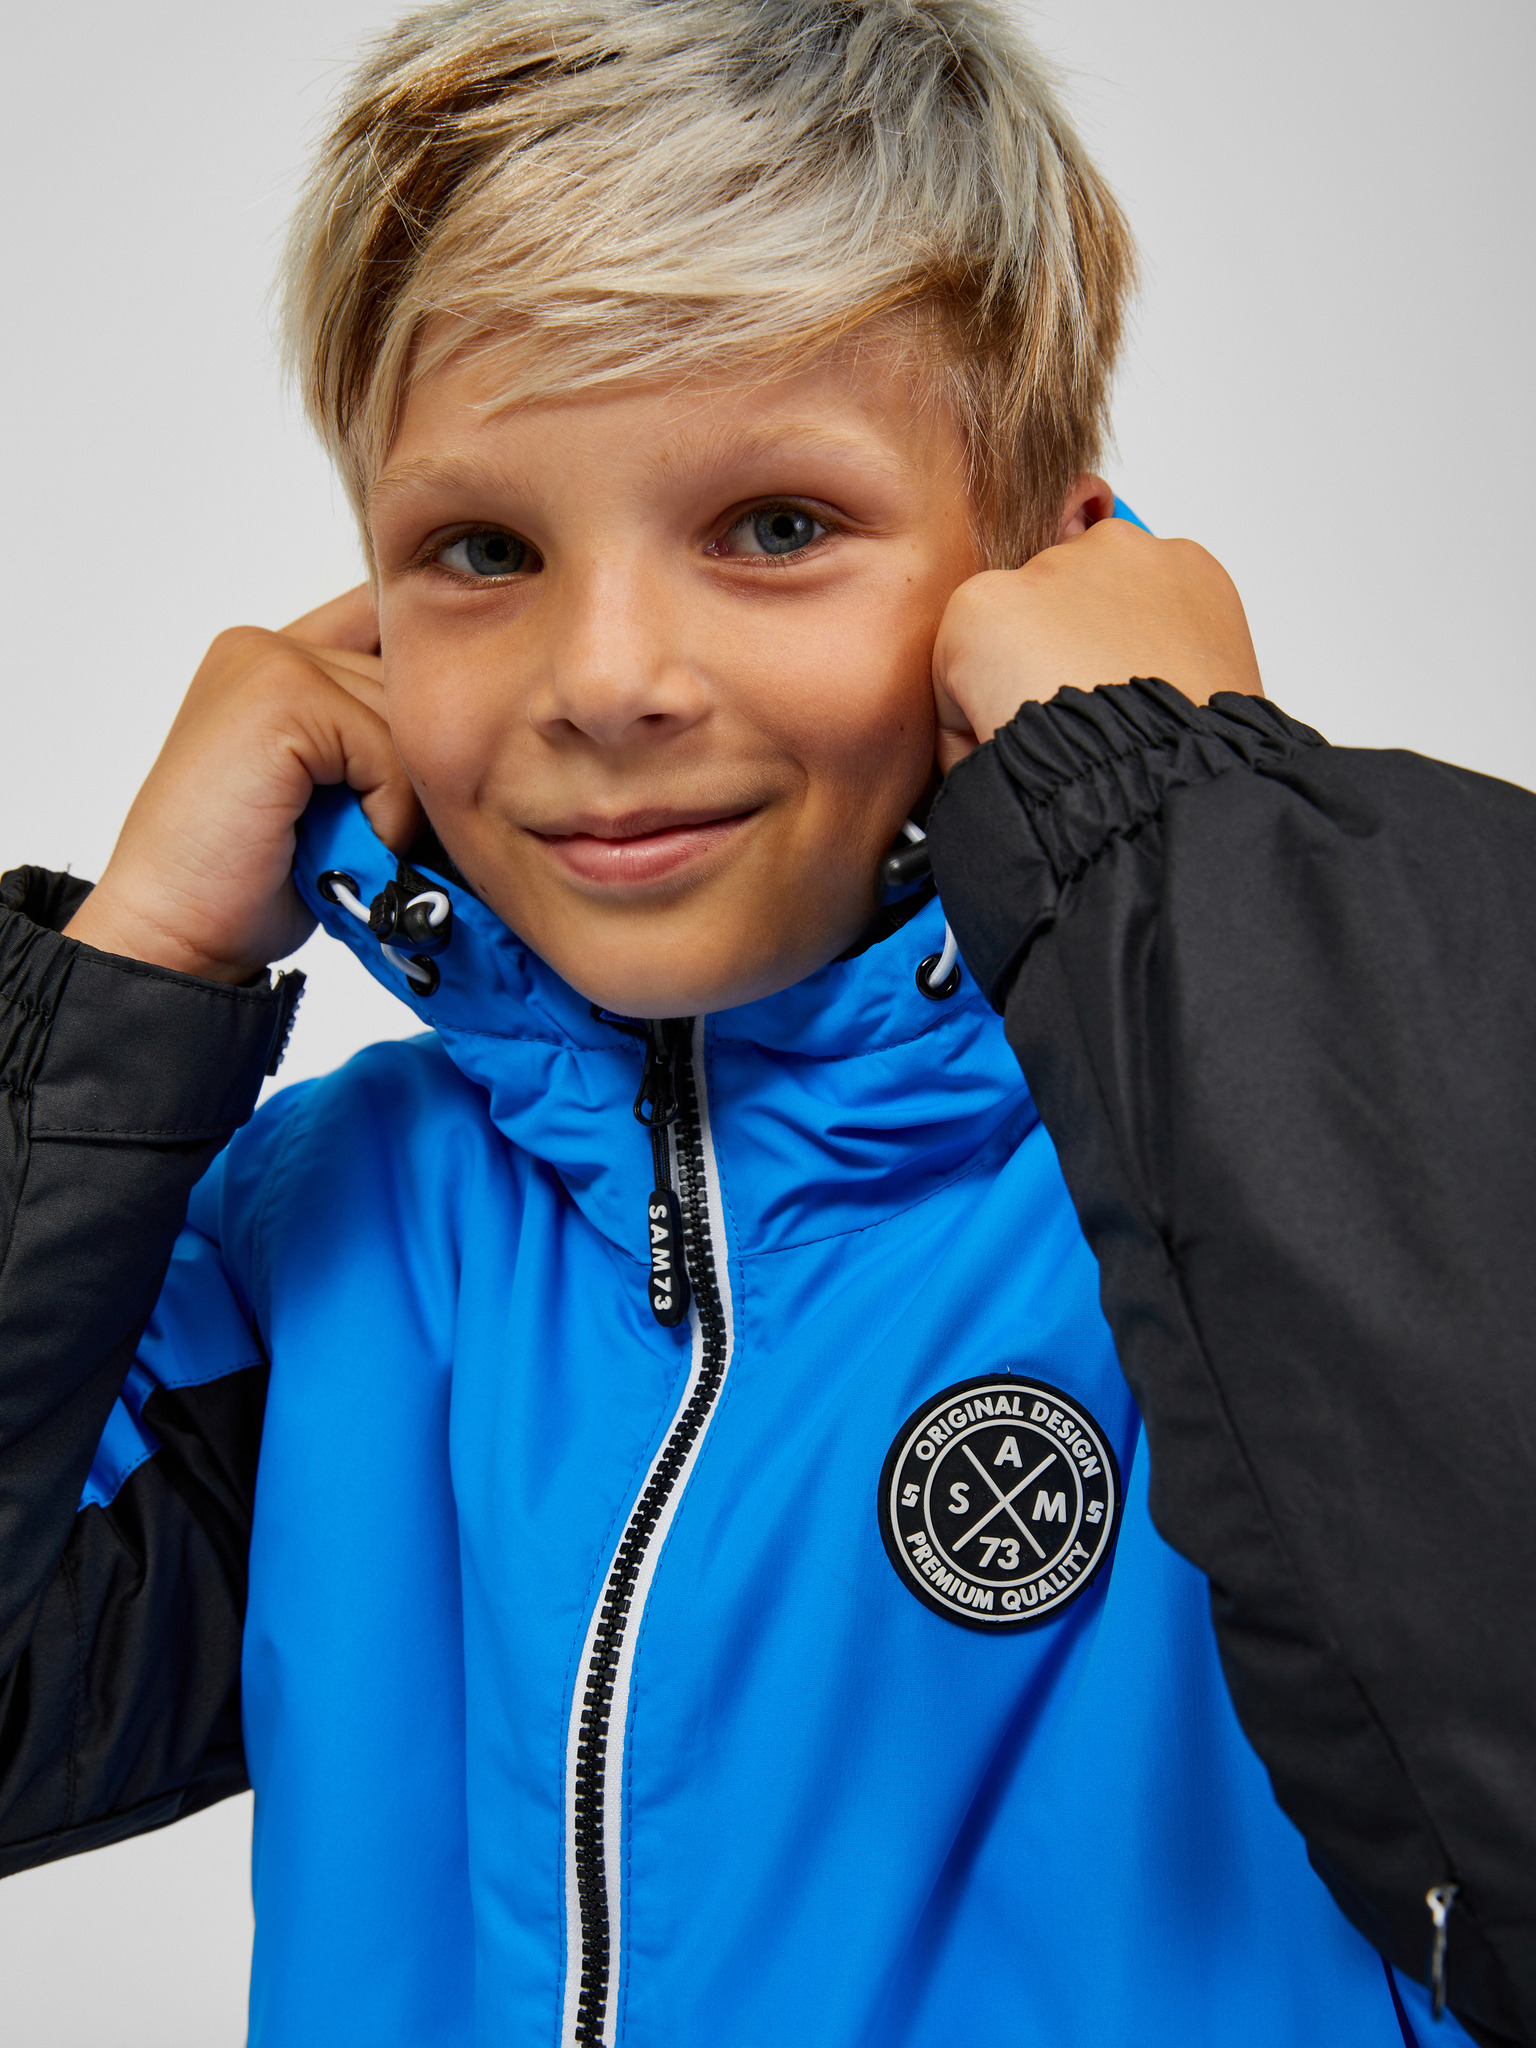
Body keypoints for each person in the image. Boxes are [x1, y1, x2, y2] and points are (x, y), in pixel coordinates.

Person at [0, 1, 1530, 2042]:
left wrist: (1183, 833)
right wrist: (132, 975)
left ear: (1043, 572)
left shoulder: (1259, 1158)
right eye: (482, 550)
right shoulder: (338, 1233)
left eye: (777, 528)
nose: (606, 676)